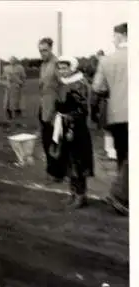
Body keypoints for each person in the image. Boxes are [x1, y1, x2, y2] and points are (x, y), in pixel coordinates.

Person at [92, 23, 128, 215]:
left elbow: (97, 87)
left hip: (117, 114)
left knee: (123, 156)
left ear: (121, 35)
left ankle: (122, 196)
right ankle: (121, 195)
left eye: (114, 36)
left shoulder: (106, 61)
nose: (113, 40)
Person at [50, 56, 94, 209]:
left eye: (65, 68)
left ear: (72, 68)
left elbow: (82, 109)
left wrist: (70, 126)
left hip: (76, 127)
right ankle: (73, 193)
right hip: (64, 124)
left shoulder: (79, 83)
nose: (62, 71)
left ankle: (81, 195)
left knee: (78, 161)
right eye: (60, 68)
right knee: (68, 160)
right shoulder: (63, 83)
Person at [38, 37, 65, 182]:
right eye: (40, 50)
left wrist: (59, 109)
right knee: (46, 141)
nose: (42, 53)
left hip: (55, 110)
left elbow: (63, 85)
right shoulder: (43, 65)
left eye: (45, 50)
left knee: (54, 142)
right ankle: (51, 170)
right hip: (44, 108)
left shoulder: (56, 64)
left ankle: (57, 173)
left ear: (51, 49)